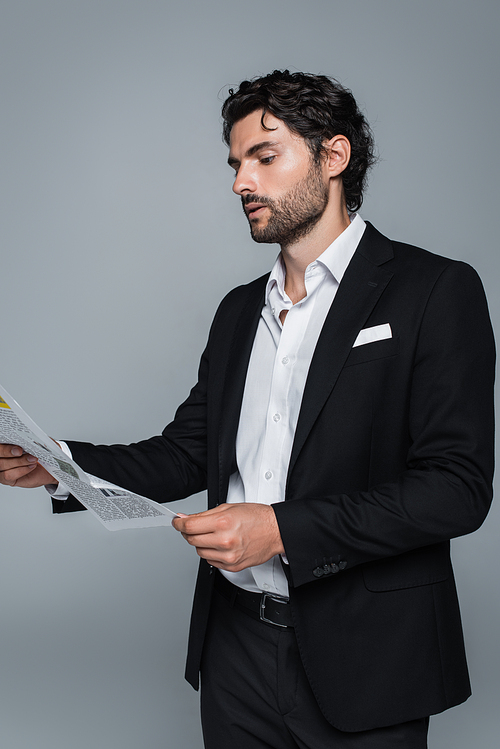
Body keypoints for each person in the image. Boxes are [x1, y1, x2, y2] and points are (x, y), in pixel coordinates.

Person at [0, 70, 495, 748]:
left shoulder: (436, 290)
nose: (241, 182)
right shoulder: (238, 312)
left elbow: (456, 490)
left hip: (370, 658)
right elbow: (183, 453)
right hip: (232, 652)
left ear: (334, 158)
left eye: (265, 157)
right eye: (236, 163)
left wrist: (282, 529)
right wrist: (54, 464)